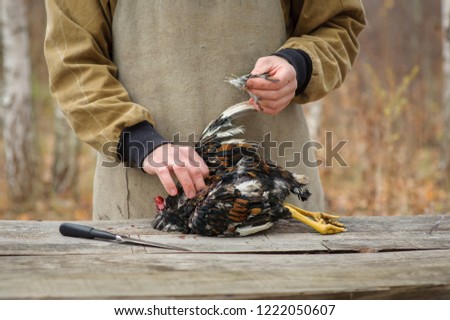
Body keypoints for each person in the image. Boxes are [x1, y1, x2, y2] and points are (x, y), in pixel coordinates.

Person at [44, 0, 365, 220]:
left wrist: (300, 64)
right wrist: (139, 141)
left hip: (276, 198)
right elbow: (74, 60)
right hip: (144, 210)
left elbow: (337, 25)